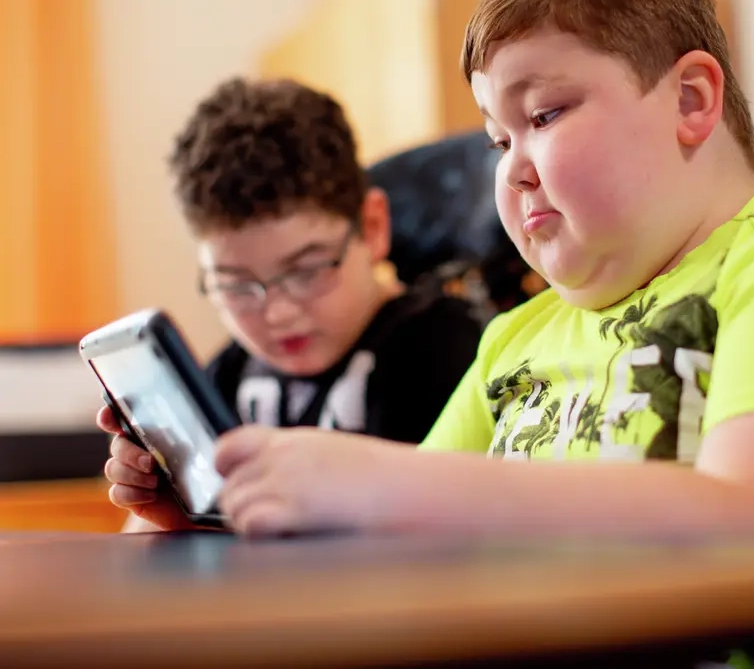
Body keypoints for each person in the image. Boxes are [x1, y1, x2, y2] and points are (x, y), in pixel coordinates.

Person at [100, 0, 754, 667]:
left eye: (546, 115)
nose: (512, 169)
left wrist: (380, 483)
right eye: (497, 138)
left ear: (690, 100)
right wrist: (202, 516)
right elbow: (379, 566)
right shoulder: (516, 339)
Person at [101, 77, 483, 532]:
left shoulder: (443, 350)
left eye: (306, 271)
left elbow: (444, 536)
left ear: (373, 227)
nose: (278, 314)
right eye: (236, 285)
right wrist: (174, 517)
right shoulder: (229, 375)